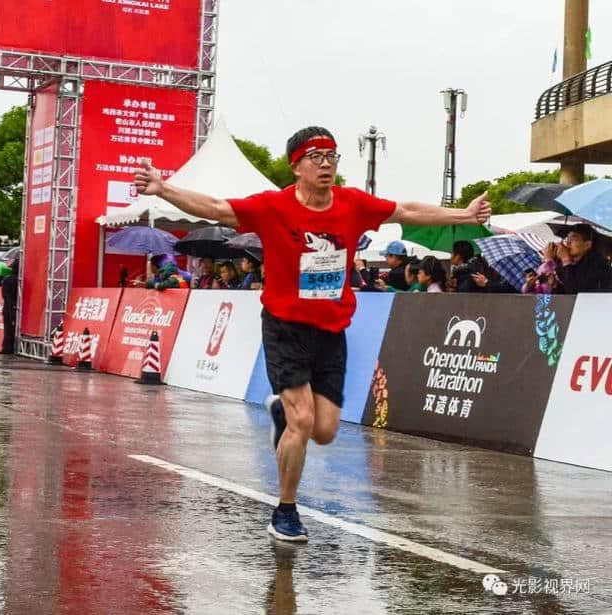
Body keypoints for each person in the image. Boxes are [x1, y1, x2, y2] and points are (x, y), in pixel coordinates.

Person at [134, 125, 491, 542]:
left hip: (331, 329)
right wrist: (163, 189)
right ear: (296, 166)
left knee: (324, 431)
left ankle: (283, 416)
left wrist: (463, 215)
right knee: (304, 423)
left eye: (332, 157)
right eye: (316, 158)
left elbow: (406, 211)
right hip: (285, 326)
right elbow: (216, 207)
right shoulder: (273, 207)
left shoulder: (352, 204)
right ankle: (285, 510)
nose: (326, 165)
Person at [543, 223, 612, 293]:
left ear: (587, 245)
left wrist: (565, 259)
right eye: (567, 239)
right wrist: (555, 285)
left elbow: (576, 292)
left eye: (573, 239)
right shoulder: (571, 264)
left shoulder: (598, 263)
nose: (568, 243)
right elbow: (566, 293)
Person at [0, 257, 19, 355]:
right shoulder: (20, 281)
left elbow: (4, 295)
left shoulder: (6, 280)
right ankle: (16, 347)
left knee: (8, 328)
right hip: (18, 306)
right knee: (16, 327)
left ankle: (7, 347)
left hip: (7, 306)